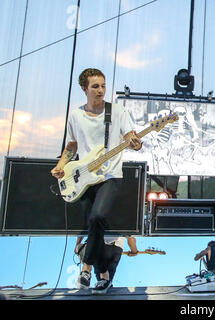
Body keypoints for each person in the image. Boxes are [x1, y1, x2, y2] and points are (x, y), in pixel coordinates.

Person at [51, 68, 142, 294]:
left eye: (103, 86)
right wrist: (61, 165)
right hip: (84, 178)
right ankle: (103, 277)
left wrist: (136, 143)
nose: (101, 90)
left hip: (110, 176)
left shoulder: (117, 112)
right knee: (93, 227)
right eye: (95, 86)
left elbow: (132, 138)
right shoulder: (75, 116)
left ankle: (87, 264)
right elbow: (71, 146)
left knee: (98, 217)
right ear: (84, 89)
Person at [75, 236, 139, 294]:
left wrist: (77, 244)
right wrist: (134, 251)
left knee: (102, 277)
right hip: (113, 247)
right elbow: (131, 238)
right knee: (105, 280)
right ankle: (101, 280)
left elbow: (82, 230)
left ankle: (86, 273)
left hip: (97, 244)